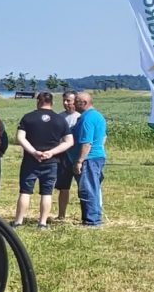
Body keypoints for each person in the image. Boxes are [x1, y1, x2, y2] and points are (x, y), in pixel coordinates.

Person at [12, 91, 73, 228]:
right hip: (51, 161)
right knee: (47, 193)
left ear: (38, 102)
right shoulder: (60, 119)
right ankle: (42, 222)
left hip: (30, 160)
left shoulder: (28, 117)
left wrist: (34, 152)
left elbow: (20, 138)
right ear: (52, 102)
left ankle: (18, 221)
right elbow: (69, 141)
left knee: (25, 191)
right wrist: (51, 152)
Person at [73, 91, 109, 226]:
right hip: (97, 156)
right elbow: (103, 137)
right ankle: (92, 217)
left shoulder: (87, 119)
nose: (73, 104)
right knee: (93, 187)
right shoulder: (97, 115)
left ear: (84, 103)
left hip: (89, 159)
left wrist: (79, 161)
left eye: (76, 102)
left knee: (88, 189)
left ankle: (92, 220)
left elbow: (86, 143)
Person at [54, 93, 85, 222]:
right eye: (64, 101)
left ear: (75, 101)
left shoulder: (80, 117)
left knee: (83, 187)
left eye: (68, 100)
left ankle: (86, 215)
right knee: (63, 187)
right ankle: (61, 215)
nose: (65, 103)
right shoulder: (59, 117)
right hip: (63, 156)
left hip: (77, 155)